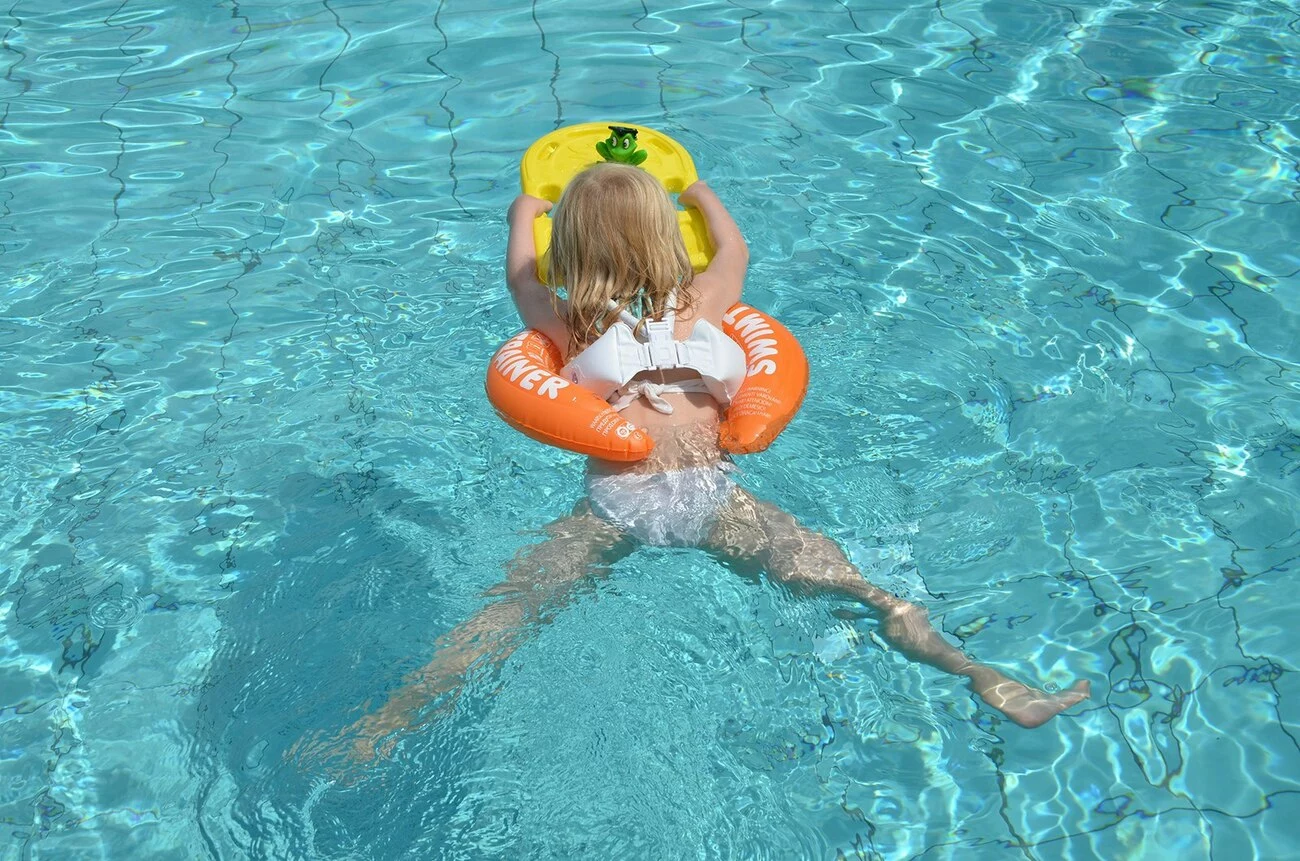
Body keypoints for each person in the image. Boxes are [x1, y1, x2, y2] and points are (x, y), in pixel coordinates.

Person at [321, 163, 1088, 763]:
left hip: (618, 501)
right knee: (861, 590)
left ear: (571, 251)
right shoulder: (705, 302)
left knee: (507, 614)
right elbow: (736, 250)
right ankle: (980, 674)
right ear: (669, 239)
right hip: (714, 498)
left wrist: (524, 212)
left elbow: (520, 271)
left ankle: (384, 726)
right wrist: (698, 191)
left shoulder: (565, 319)